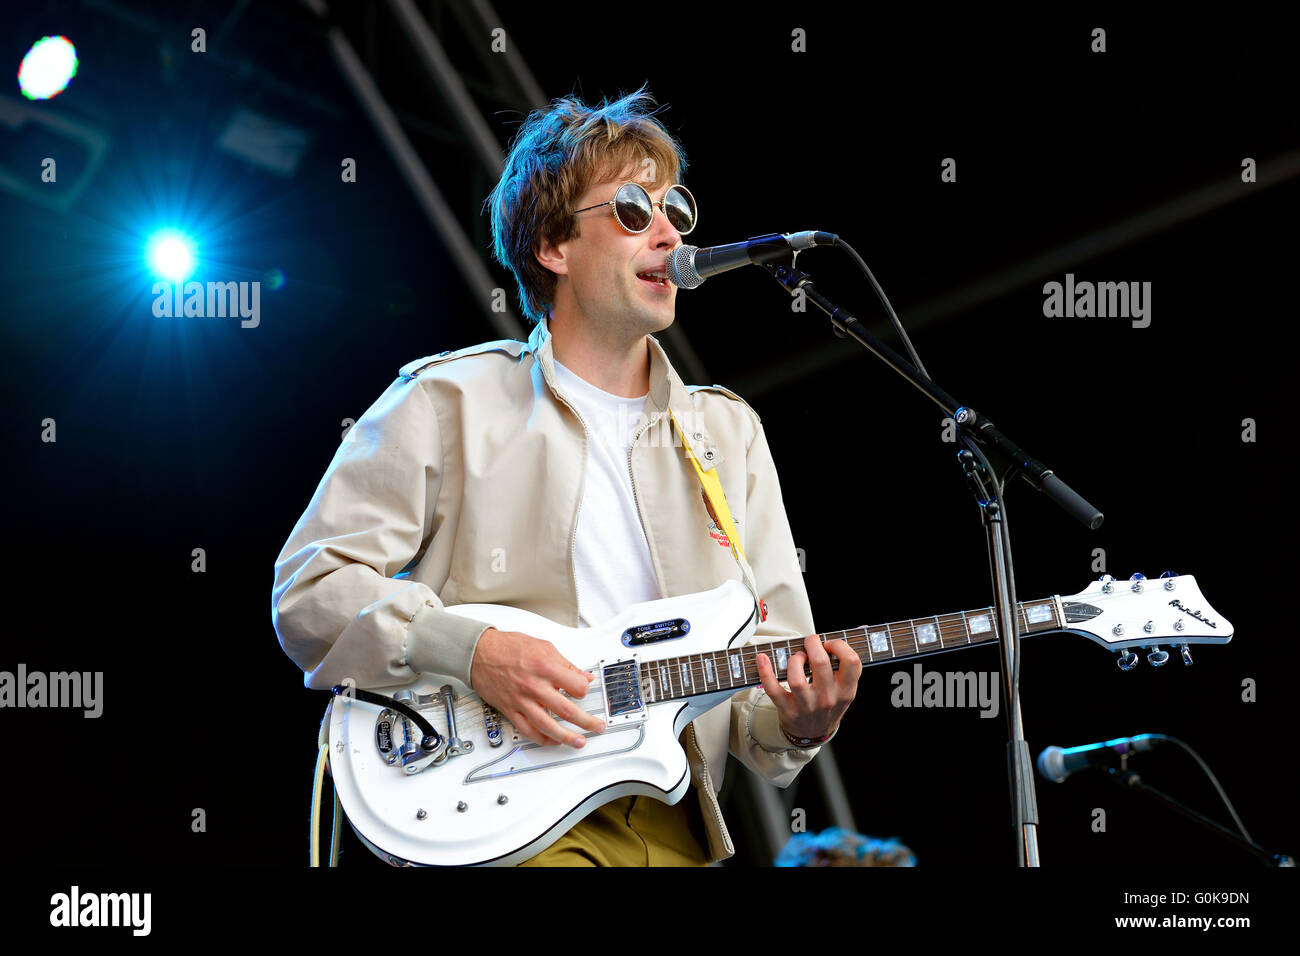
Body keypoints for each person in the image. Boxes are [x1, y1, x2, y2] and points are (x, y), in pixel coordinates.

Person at [271, 84, 862, 866]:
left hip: (668, 822)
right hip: (488, 807)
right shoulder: (448, 399)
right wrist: (473, 649)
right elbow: (311, 589)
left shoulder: (728, 433)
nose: (666, 231)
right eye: (629, 210)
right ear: (553, 245)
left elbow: (763, 701)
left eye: (673, 209)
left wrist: (803, 719)